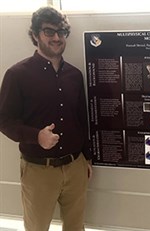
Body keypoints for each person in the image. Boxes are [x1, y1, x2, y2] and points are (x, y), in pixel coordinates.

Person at [0, 6, 93, 231]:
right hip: (39, 171)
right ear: (35, 34)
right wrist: (36, 136)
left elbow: (82, 118)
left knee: (75, 227)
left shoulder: (74, 74)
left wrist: (87, 159)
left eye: (61, 32)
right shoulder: (17, 74)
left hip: (75, 167)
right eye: (49, 32)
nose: (57, 38)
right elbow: (4, 121)